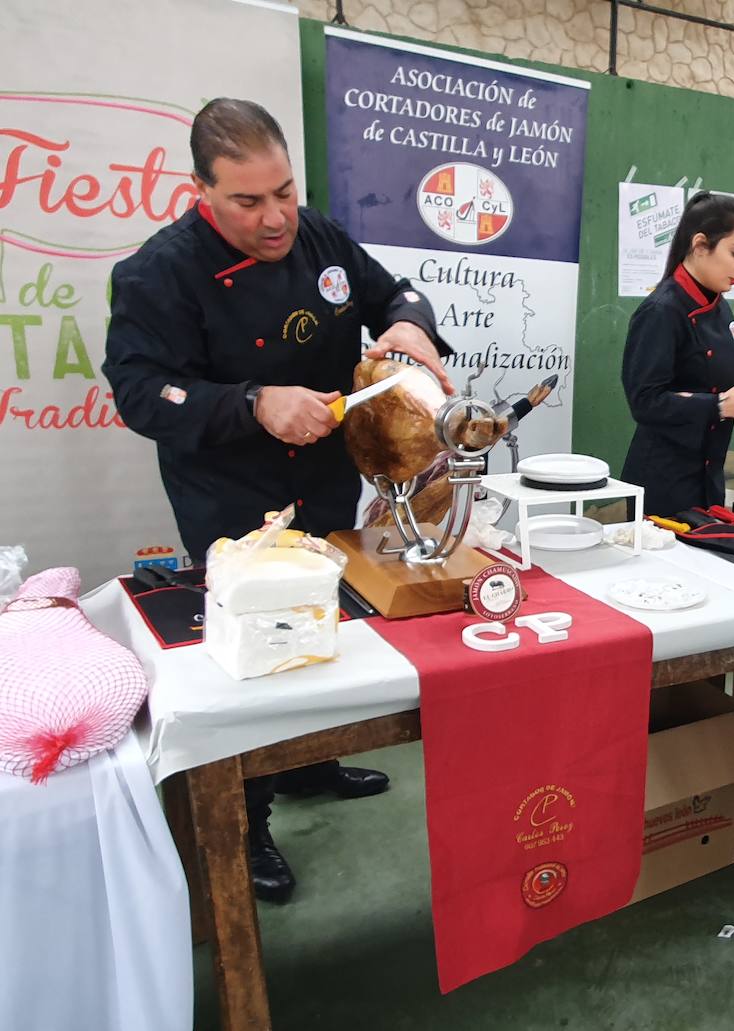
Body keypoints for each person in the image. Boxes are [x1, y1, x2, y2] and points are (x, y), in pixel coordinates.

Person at [102, 98, 454, 904]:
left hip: (326, 478)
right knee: (256, 657)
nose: (275, 219)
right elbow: (139, 391)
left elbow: (393, 291)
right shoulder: (159, 273)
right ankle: (250, 817)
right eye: (248, 202)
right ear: (200, 191)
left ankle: (310, 762)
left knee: (325, 624)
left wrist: (409, 327)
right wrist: (253, 401)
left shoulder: (321, 236)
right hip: (233, 495)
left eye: (285, 193)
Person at [620, 192, 734, 516]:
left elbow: (721, 379)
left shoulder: (720, 308)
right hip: (661, 486)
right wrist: (720, 407)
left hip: (707, 480)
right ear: (700, 245)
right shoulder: (661, 311)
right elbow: (645, 401)